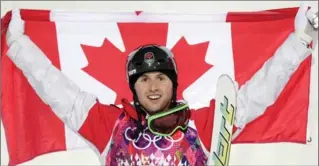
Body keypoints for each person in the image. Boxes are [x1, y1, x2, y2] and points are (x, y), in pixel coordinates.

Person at [5, 5, 318, 166]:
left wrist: (301, 40)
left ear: (174, 84)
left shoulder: (203, 125)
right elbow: (56, 89)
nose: (152, 86)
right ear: (133, 87)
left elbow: (258, 94)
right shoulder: (108, 126)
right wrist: (17, 45)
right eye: (143, 79)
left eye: (161, 78)